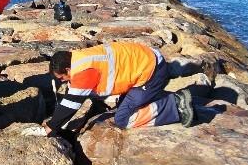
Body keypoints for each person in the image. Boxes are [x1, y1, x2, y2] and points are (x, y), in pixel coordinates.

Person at [44, 42, 195, 135]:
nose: (62, 81)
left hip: (152, 72)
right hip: (148, 60)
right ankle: (158, 97)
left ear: (68, 69)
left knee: (123, 119)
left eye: (61, 78)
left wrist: (50, 127)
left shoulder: (83, 72)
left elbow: (70, 104)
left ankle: (174, 104)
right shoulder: (79, 57)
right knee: (125, 104)